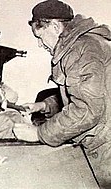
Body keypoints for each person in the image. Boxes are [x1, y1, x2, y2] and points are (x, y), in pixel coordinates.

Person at [15, 0, 111, 188]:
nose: (40, 45)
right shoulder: (90, 43)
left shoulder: (81, 50)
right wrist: (44, 106)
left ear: (55, 26)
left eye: (40, 36)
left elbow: (87, 110)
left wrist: (40, 133)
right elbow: (84, 93)